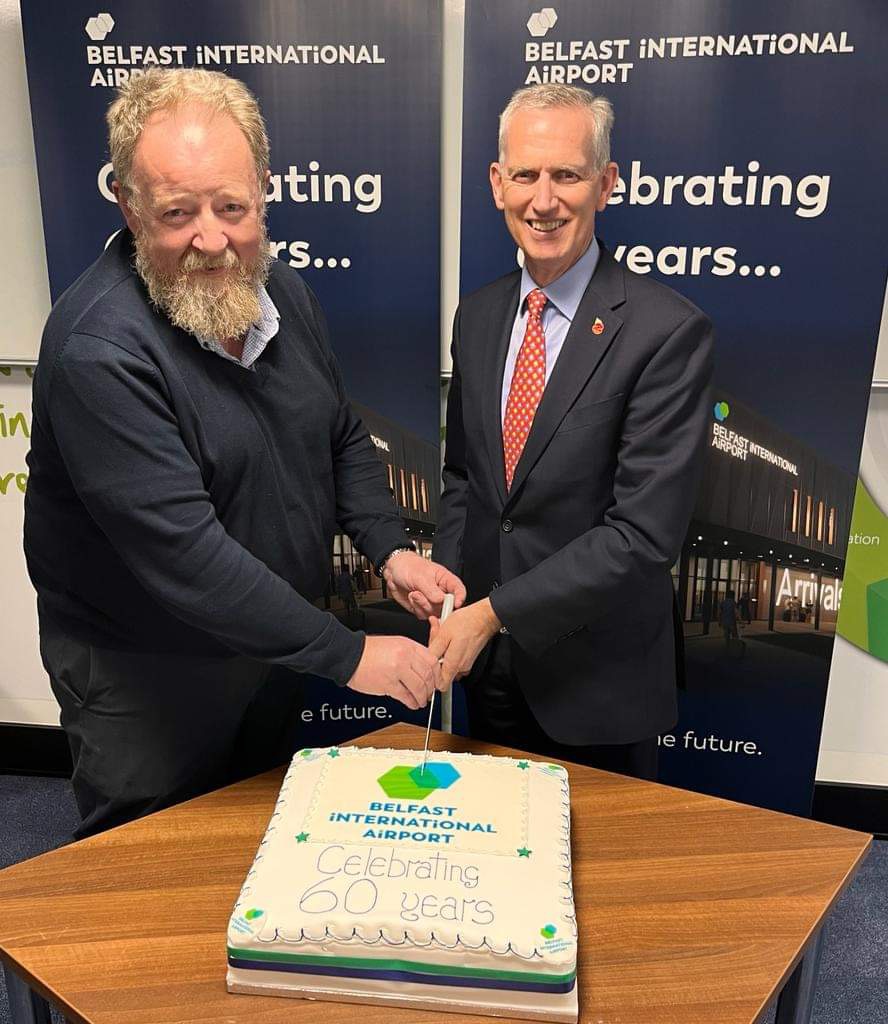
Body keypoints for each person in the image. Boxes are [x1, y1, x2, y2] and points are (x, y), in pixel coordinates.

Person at [23, 68, 464, 837]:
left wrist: (389, 550)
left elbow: (340, 435)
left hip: (269, 644)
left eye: (232, 207)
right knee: (151, 867)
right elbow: (186, 558)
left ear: (264, 187)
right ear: (128, 206)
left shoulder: (284, 294)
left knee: (254, 845)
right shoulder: (98, 350)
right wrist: (349, 654)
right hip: (147, 673)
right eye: (177, 212)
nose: (212, 238)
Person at [430, 84, 713, 780]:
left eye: (568, 174)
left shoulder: (667, 332)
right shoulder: (478, 317)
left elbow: (642, 535)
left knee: (600, 885)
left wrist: (495, 612)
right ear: (498, 185)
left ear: (606, 184)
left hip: (597, 689)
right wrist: (450, 593)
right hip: (488, 672)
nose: (544, 199)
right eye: (525, 174)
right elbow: (466, 478)